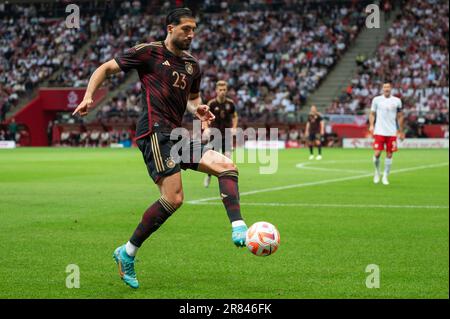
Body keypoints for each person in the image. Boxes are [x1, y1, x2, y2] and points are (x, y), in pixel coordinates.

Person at [71, 8, 248, 289]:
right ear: (170, 28)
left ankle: (239, 227)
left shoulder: (193, 65)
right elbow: (105, 68)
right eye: (186, 29)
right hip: (154, 132)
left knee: (227, 166)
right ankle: (127, 253)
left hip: (177, 134)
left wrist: (198, 109)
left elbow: (193, 98)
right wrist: (89, 96)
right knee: (174, 198)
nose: (191, 34)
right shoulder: (148, 53)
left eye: (194, 30)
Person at [203, 80, 238, 188]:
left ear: (226, 90)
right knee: (213, 159)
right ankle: (209, 175)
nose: (222, 92)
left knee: (227, 159)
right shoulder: (212, 104)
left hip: (227, 135)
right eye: (220, 90)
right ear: (216, 91)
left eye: (224, 90)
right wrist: (206, 128)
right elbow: (205, 117)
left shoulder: (230, 103)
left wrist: (234, 128)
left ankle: (227, 183)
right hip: (215, 135)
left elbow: (235, 116)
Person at [369, 81, 404, 185]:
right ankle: (377, 172)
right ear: (382, 89)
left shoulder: (397, 101)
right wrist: (371, 125)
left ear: (391, 88)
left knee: (389, 155)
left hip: (392, 132)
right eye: (385, 87)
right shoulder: (376, 100)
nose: (386, 89)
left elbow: (400, 116)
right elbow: (372, 114)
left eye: (388, 87)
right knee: (377, 153)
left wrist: (401, 131)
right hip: (379, 131)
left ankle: (385, 176)